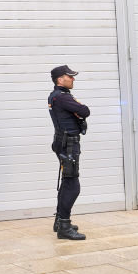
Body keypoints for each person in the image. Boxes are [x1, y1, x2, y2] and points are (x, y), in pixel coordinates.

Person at [48, 65, 89, 240]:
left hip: (64, 143)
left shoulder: (58, 96)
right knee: (73, 185)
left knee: (67, 182)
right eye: (69, 76)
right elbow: (85, 111)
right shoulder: (62, 97)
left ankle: (60, 221)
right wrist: (80, 108)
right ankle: (64, 225)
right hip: (68, 145)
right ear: (60, 79)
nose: (73, 79)